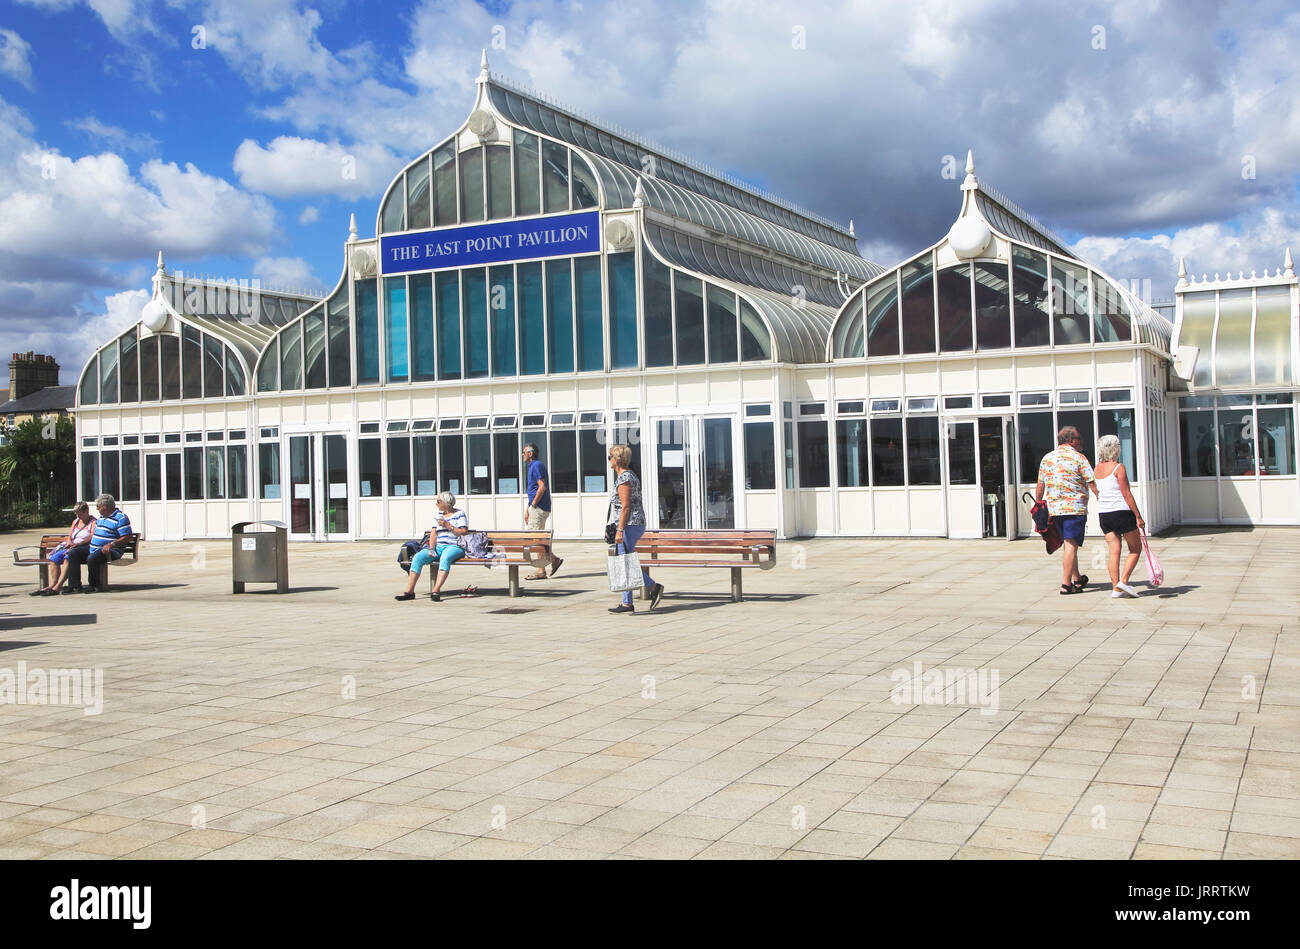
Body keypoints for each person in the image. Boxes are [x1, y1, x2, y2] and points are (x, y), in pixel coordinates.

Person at [1034, 426, 1098, 595]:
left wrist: (1039, 504)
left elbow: (1041, 485)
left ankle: (1077, 578)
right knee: (1071, 544)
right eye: (1079, 438)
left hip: (1055, 510)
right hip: (1074, 509)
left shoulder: (1047, 458)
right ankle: (1066, 584)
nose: (1081, 441)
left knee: (1069, 544)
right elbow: (1092, 482)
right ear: (1071, 440)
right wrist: (1103, 499)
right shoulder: (1079, 458)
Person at [607, 443, 663, 614]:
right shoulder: (627, 476)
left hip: (629, 525)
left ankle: (653, 587)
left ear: (617, 460)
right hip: (630, 524)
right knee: (625, 562)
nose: (609, 460)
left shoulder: (625, 478)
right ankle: (627, 602)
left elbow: (625, 507)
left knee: (625, 564)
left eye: (610, 457)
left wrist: (619, 530)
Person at [1094, 434, 1145, 598]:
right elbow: (1126, 494)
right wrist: (1138, 516)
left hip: (1104, 514)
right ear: (1115, 449)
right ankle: (1124, 581)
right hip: (1122, 512)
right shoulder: (1118, 467)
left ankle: (1116, 588)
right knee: (1135, 549)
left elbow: (1098, 490)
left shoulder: (1097, 469)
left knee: (1114, 552)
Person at [395, 491, 468, 602]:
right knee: (418, 558)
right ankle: (409, 592)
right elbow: (433, 533)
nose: (436, 504)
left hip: (455, 546)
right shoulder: (438, 515)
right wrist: (431, 548)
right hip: (438, 546)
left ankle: (436, 591)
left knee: (445, 558)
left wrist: (448, 525)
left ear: (446, 502)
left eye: (438, 501)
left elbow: (463, 532)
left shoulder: (459, 514)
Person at [64, 494, 133, 593]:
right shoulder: (101, 517)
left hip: (110, 550)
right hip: (94, 548)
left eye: (97, 506)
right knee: (73, 553)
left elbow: (128, 536)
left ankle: (94, 585)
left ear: (104, 506)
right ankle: (74, 586)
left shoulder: (121, 518)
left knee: (92, 558)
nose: (97, 509)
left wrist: (111, 544)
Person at [31, 501, 96, 596]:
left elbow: (91, 536)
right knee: (54, 559)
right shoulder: (76, 521)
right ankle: (52, 584)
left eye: (80, 514)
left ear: (86, 511)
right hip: (71, 545)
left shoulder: (93, 522)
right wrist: (69, 542)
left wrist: (78, 544)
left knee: (67, 558)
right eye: (76, 514)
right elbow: (70, 535)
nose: (78, 516)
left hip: (82, 547)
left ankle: (58, 585)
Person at [522, 443, 563, 580]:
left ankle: (541, 570)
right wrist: (528, 509)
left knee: (536, 538)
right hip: (535, 507)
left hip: (539, 507)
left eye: (524, 452)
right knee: (536, 538)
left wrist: (533, 505)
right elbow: (533, 489)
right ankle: (553, 560)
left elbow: (542, 487)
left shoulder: (537, 465)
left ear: (530, 453)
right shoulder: (532, 466)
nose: (522, 455)